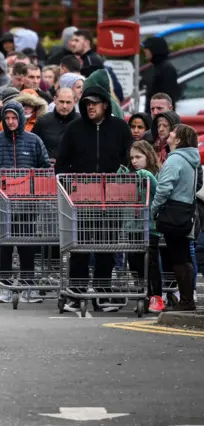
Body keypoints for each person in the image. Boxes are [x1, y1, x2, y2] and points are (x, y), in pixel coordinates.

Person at [55, 85, 133, 312]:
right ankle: (76, 294)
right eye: (87, 103)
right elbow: (61, 163)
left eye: (94, 103)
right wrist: (69, 188)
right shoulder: (74, 128)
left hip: (112, 198)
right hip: (81, 198)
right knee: (78, 247)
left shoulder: (119, 128)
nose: (90, 107)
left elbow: (130, 160)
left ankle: (103, 293)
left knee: (106, 247)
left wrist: (122, 180)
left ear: (105, 105)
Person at [0, 101, 50, 303]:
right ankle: (6, 287)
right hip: (2, 205)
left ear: (21, 118)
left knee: (27, 245)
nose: (10, 122)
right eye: (7, 118)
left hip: (27, 204)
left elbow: (44, 169)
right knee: (4, 246)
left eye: (14, 118)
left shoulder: (34, 141)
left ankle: (28, 286)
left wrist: (35, 192)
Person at [151, 124, 201, 312]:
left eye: (172, 132)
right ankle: (187, 298)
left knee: (178, 258)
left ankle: (186, 301)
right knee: (184, 256)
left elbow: (164, 188)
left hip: (173, 211)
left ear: (178, 140)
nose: (169, 134)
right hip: (186, 211)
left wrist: (154, 209)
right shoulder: (191, 160)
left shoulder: (175, 160)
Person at [118, 141, 162, 313]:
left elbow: (160, 193)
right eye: (132, 158)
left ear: (148, 156)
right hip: (132, 227)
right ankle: (144, 294)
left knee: (150, 262)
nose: (134, 161)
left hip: (150, 227)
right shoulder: (132, 175)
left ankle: (156, 296)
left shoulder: (154, 174)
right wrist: (120, 178)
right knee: (135, 262)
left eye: (138, 157)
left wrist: (147, 177)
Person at [32, 87, 78, 159]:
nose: (64, 106)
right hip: (49, 168)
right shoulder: (43, 121)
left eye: (68, 102)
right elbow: (33, 147)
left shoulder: (82, 122)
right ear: (55, 100)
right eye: (61, 102)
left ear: (75, 102)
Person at [143, 37, 180, 115]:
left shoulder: (167, 69)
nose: (145, 52)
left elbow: (167, 98)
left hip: (161, 118)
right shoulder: (153, 68)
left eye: (147, 48)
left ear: (155, 50)